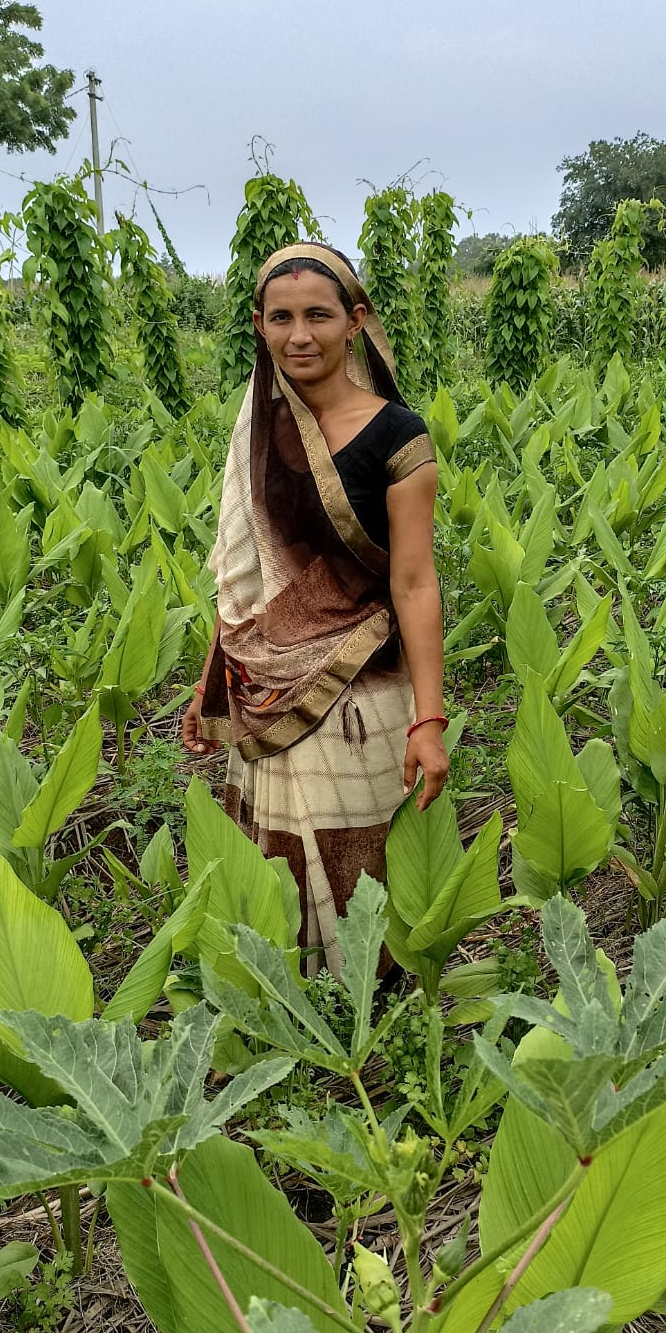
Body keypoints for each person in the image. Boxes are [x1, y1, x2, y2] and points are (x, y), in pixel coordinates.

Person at [181, 241, 448, 974]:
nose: (300, 335)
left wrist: (429, 720)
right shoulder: (259, 437)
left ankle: (371, 1013)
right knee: (277, 859)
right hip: (266, 688)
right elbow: (246, 581)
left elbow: (416, 584)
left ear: (355, 321)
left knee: (358, 863)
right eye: (281, 317)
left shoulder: (398, 436)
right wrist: (214, 686)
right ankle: (292, 1003)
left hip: (366, 690)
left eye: (319, 315)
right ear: (260, 327)